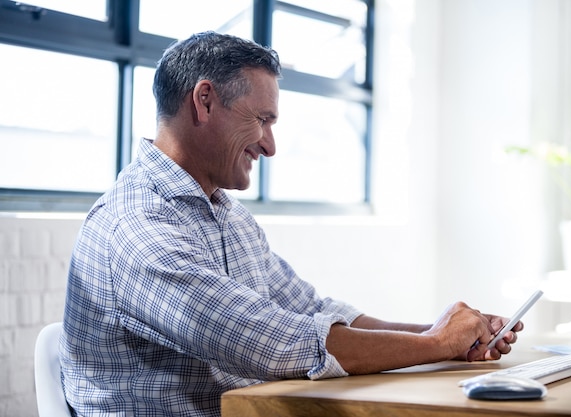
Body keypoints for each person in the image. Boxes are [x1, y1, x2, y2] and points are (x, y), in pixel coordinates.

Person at [59, 31, 523, 417]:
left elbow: (311, 312)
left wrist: (440, 335)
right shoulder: (137, 227)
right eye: (262, 119)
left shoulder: (227, 215)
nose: (270, 145)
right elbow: (274, 344)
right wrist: (437, 344)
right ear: (204, 101)